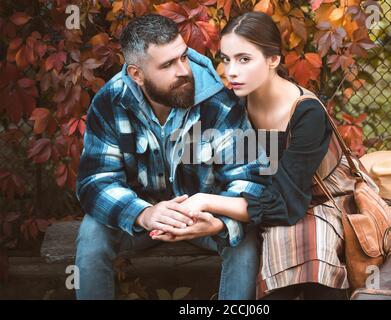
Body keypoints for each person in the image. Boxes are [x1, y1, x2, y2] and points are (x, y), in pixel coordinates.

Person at [162, 11, 361, 299]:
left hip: (319, 197)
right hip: (261, 197)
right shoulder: (232, 105)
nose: (231, 71)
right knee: (268, 253)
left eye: (244, 59)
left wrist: (205, 201)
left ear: (273, 60)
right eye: (226, 59)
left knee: (314, 251)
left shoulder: (306, 112)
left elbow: (286, 206)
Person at [75, 14, 268, 300]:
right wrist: (143, 213)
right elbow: (95, 181)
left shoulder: (219, 102)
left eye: (183, 57)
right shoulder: (109, 102)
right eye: (167, 65)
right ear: (136, 74)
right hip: (139, 219)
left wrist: (220, 223)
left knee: (244, 240)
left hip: (203, 218)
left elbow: (251, 178)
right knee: (92, 235)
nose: (183, 71)